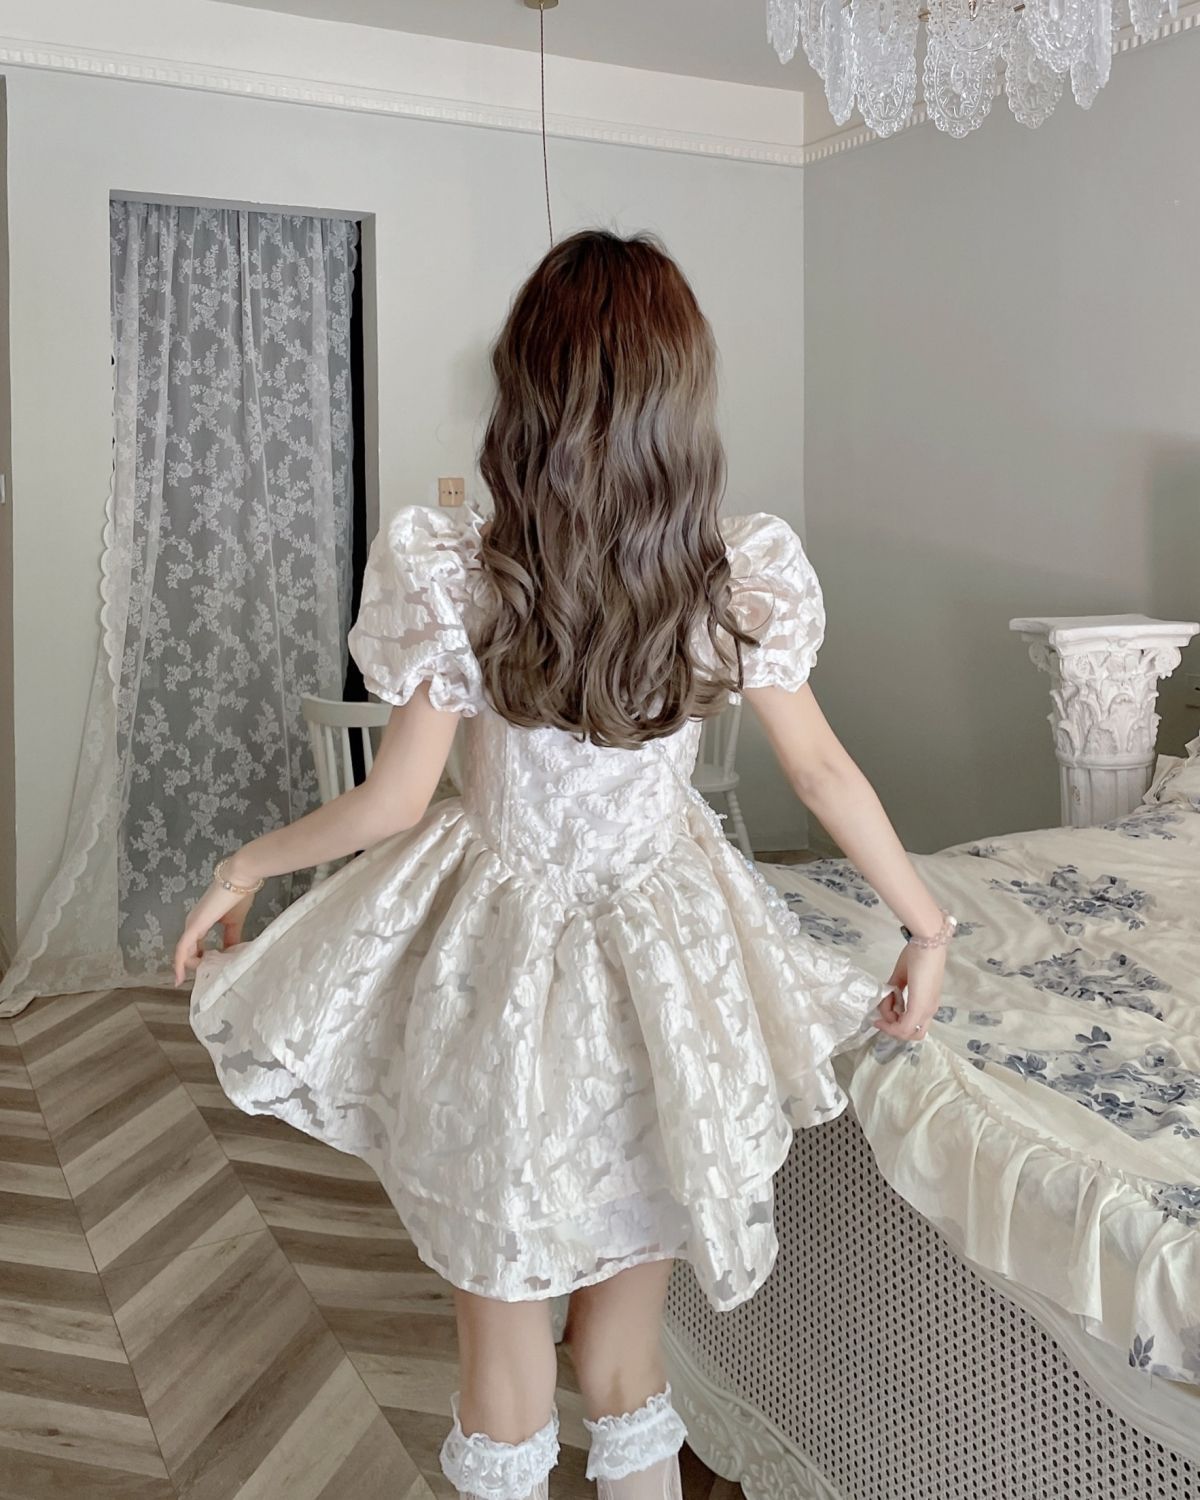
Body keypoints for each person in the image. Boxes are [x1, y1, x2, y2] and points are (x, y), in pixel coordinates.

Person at [176, 229, 951, 1500]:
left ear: (523, 388)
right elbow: (821, 773)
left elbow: (395, 801)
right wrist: (925, 925)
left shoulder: (458, 567)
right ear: (682, 401)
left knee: (503, 1371)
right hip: (664, 962)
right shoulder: (728, 571)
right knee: (626, 1367)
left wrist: (243, 864)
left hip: (500, 966)